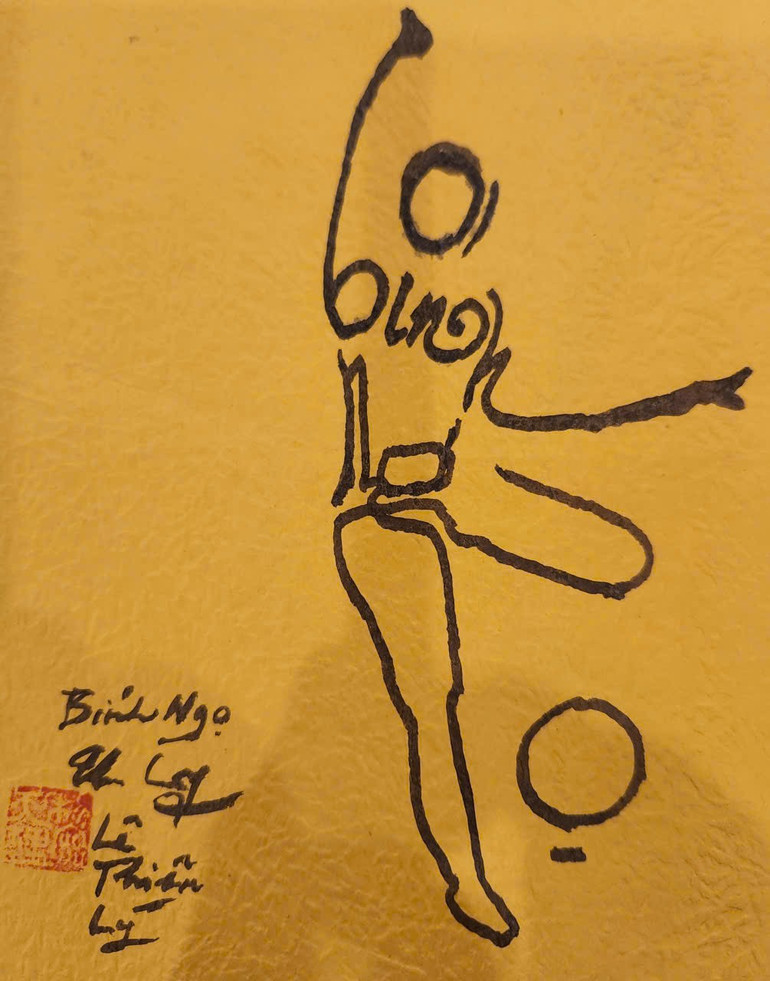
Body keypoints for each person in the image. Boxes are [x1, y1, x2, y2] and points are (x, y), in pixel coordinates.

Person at [324, 8, 751, 947]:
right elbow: (359, 183)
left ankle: (482, 862)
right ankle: (466, 877)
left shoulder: (473, 313)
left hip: (454, 491)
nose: (448, 216)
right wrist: (398, 66)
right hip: (380, 517)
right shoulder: (360, 291)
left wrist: (688, 396)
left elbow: (554, 416)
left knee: (618, 556)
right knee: (432, 701)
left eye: (462, 200)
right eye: (432, 193)